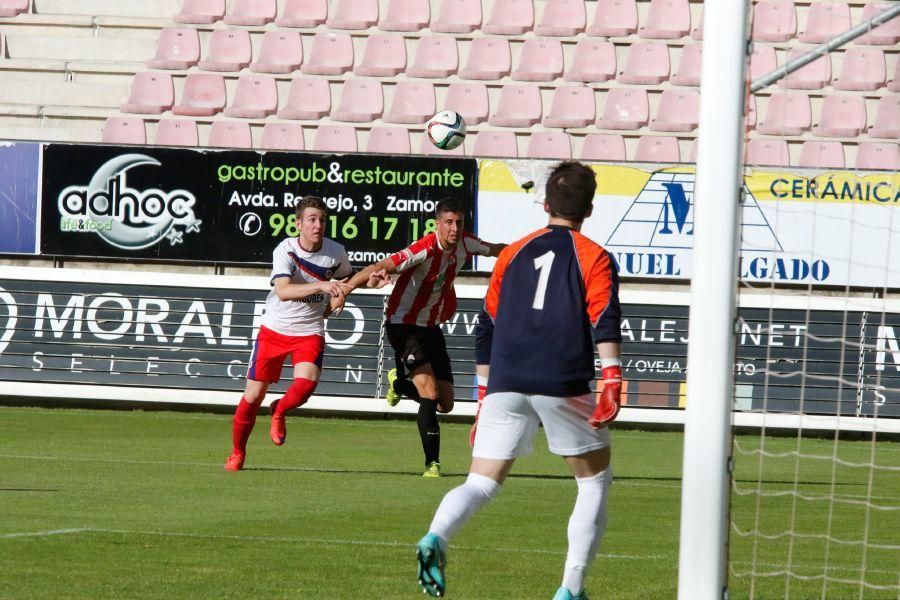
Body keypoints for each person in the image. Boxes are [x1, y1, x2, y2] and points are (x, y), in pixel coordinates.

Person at [414, 162, 624, 600]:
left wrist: (484, 398)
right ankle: (571, 588)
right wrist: (611, 379)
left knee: (481, 482)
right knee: (593, 481)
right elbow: (604, 317)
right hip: (561, 379)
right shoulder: (593, 255)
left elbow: (485, 325)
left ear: (545, 204)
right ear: (589, 208)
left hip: (505, 378)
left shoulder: (511, 253)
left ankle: (436, 536)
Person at [342, 198, 505, 477]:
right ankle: (433, 463)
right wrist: (346, 289)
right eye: (449, 222)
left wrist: (530, 249)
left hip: (430, 327)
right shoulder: (424, 249)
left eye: (459, 222)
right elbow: (383, 264)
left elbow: (498, 250)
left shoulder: (467, 243)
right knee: (429, 393)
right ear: (437, 224)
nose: (455, 228)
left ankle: (401, 384)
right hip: (402, 325)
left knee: (445, 403)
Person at [224, 196, 353, 472]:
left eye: (322, 220)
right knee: (253, 395)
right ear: (299, 224)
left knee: (306, 384)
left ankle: (279, 410)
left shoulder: (336, 252)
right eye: (312, 219)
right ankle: (237, 453)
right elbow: (283, 291)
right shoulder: (285, 249)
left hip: (309, 331)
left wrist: (343, 294)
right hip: (275, 329)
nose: (318, 225)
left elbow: (345, 281)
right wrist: (322, 286)